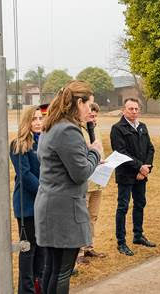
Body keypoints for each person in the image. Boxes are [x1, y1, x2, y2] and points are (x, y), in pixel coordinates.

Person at [35, 80, 102, 293]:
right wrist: (94, 152)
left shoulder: (52, 125)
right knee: (62, 271)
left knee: (51, 269)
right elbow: (80, 172)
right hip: (64, 209)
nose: (90, 111)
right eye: (89, 105)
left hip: (50, 205)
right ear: (79, 103)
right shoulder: (68, 130)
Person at [110, 97, 156, 256]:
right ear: (124, 110)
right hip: (126, 175)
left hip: (141, 175)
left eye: (136, 109)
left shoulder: (142, 127)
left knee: (140, 203)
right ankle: (121, 242)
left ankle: (138, 235)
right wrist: (139, 167)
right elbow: (121, 152)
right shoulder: (117, 128)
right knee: (123, 207)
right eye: (131, 109)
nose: (134, 111)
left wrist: (146, 168)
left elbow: (150, 148)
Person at [10, 106, 45, 293]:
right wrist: (45, 192)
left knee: (42, 250)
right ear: (27, 122)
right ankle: (26, 289)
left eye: (40, 118)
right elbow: (24, 174)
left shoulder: (45, 141)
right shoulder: (19, 144)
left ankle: (39, 285)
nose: (38, 122)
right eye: (34, 119)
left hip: (45, 204)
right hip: (27, 205)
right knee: (28, 250)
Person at [77, 102, 106, 264]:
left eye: (95, 115)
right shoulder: (79, 131)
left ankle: (89, 246)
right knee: (82, 215)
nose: (93, 118)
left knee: (93, 215)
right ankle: (79, 251)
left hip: (98, 179)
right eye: (91, 115)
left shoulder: (97, 129)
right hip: (85, 179)